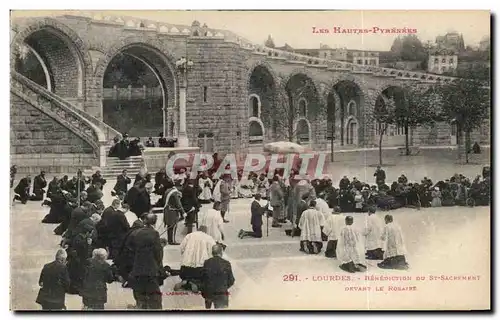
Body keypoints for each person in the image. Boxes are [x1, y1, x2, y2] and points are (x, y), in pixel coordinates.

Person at [129, 214, 163, 310]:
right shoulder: (154, 233)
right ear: (154, 222)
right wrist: (159, 265)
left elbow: (130, 248)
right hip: (151, 267)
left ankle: (141, 306)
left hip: (138, 266)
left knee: (140, 289)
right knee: (154, 292)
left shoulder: (136, 233)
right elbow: (158, 252)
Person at [176, 226, 216, 292]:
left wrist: (185, 256)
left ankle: (185, 281)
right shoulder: (208, 238)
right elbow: (212, 252)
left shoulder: (189, 236)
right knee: (204, 280)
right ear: (205, 231)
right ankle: (195, 284)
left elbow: (181, 248)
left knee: (186, 275)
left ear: (198, 230)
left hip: (185, 267)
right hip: (199, 268)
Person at [201, 244, 235, 309]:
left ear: (212, 253)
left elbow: (203, 279)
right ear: (221, 252)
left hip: (209, 293)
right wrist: (224, 287)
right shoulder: (226, 263)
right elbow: (231, 280)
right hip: (222, 293)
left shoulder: (207, 263)